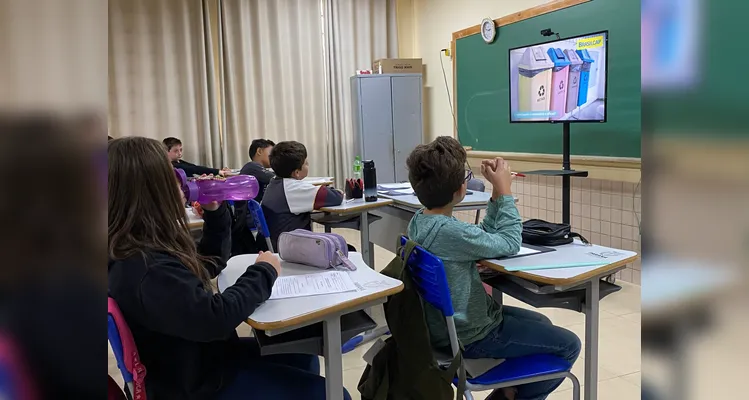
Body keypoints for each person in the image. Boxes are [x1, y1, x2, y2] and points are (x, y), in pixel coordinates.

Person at [108, 137, 350, 400]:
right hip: (198, 383)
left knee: (303, 359)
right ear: (152, 193)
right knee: (335, 394)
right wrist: (263, 273)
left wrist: (215, 213)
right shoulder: (145, 269)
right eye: (175, 181)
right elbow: (215, 318)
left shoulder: (139, 246)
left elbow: (207, 264)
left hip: (200, 359)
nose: (183, 188)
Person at [405, 137, 580, 400]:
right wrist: (506, 191)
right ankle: (510, 396)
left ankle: (510, 389)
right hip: (474, 336)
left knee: (541, 321)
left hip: (447, 330)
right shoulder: (450, 231)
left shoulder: (421, 220)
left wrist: (496, 192)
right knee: (569, 345)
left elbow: (484, 236)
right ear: (460, 190)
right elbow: (510, 243)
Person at [262, 141, 344, 250]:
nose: (308, 165)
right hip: (291, 249)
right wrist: (339, 192)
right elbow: (335, 197)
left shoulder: (274, 183)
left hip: (278, 243)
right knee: (346, 248)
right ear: (296, 172)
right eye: (306, 163)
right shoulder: (293, 188)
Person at [163, 136, 230, 177]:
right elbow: (194, 169)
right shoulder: (172, 165)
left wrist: (218, 172)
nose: (180, 153)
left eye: (181, 150)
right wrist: (218, 172)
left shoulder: (178, 162)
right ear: (166, 151)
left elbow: (193, 167)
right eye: (176, 151)